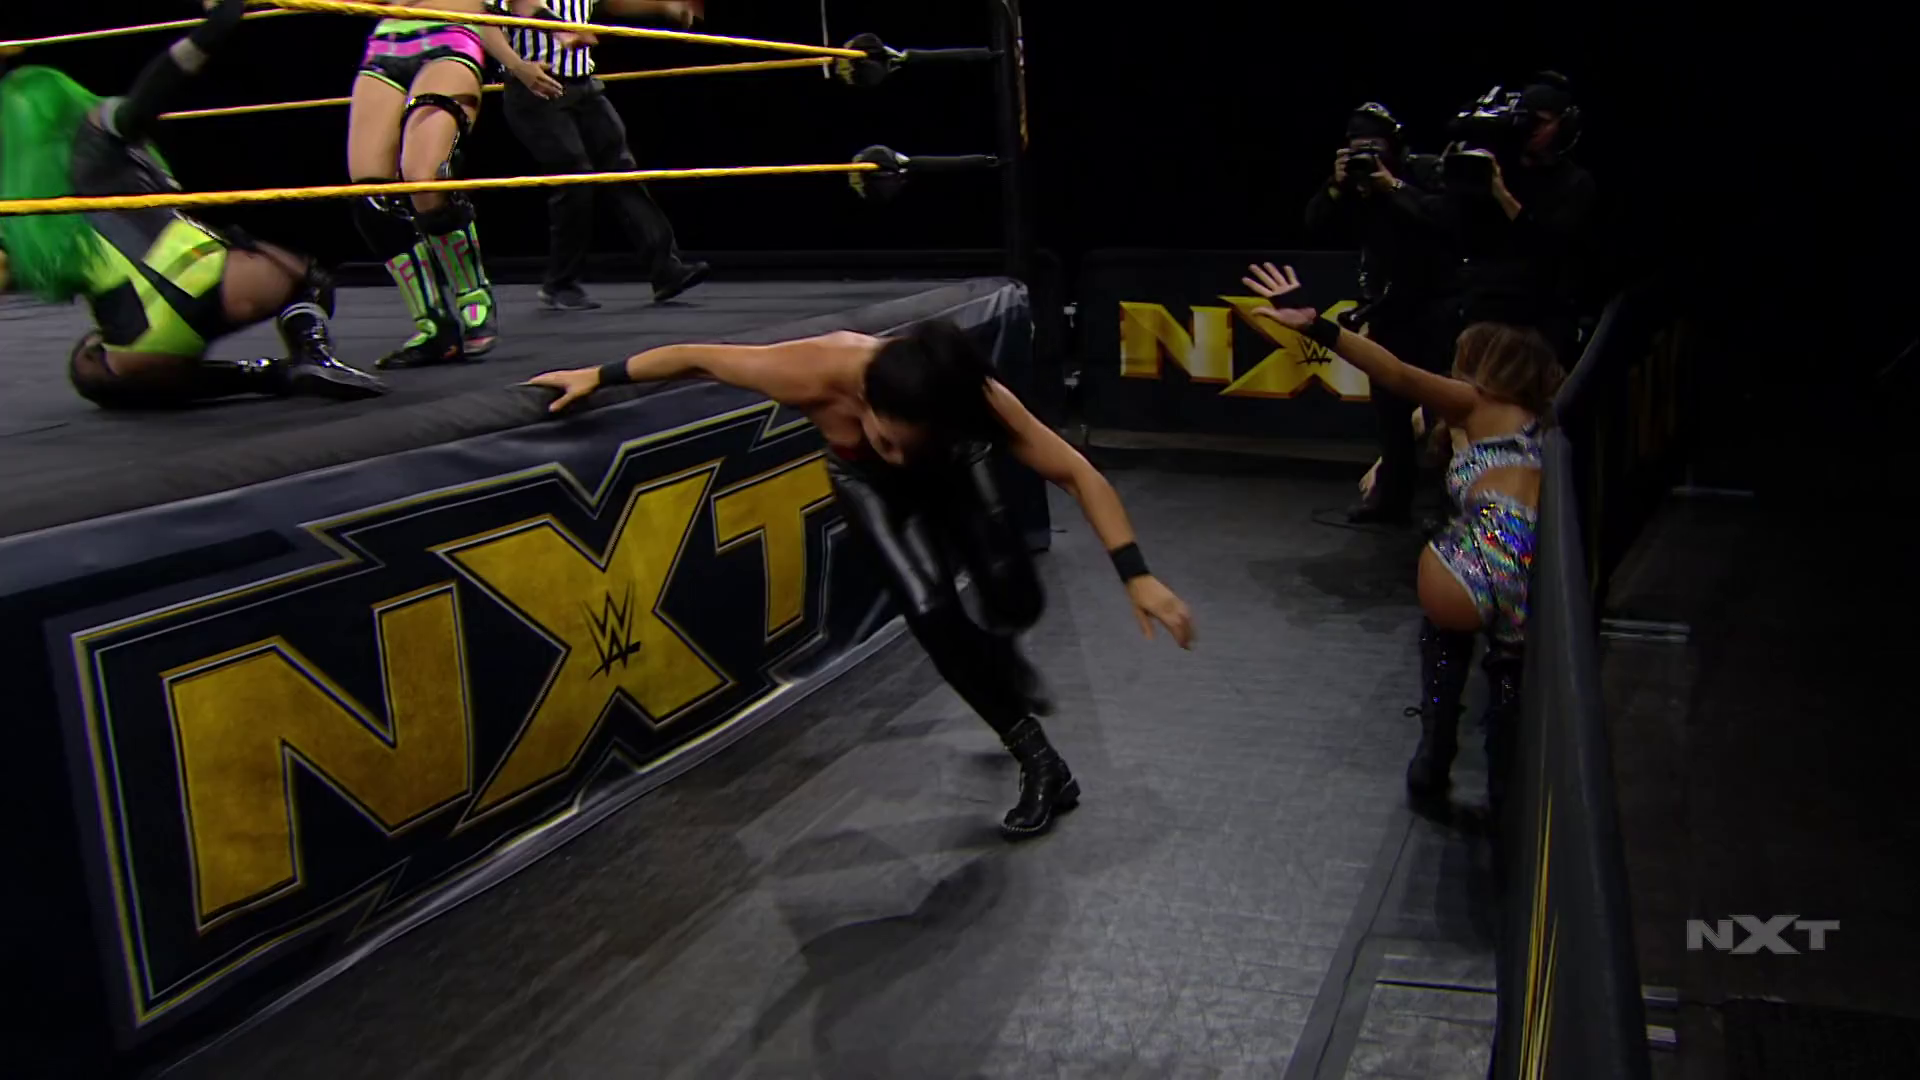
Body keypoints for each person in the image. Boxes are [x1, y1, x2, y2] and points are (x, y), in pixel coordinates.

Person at [527, 321, 1197, 838]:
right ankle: (1040, 758)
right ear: (866, 403)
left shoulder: (974, 401)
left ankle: (1001, 644)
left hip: (953, 467)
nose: (897, 452)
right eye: (887, 438)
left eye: (909, 442)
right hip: (865, 482)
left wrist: (1136, 576)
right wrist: (598, 374)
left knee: (1011, 594)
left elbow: (1078, 473)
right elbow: (695, 357)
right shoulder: (813, 370)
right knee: (931, 615)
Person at [1241, 262, 1560, 825]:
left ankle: (1435, 752)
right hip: (1530, 561)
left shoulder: (1471, 403)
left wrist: (1319, 327)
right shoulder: (1547, 420)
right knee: (1509, 674)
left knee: (1443, 632)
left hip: (1474, 559)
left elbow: (1394, 372)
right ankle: (1506, 792)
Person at [0, 2, 385, 408]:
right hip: (218, 283)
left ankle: (267, 376)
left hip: (146, 338)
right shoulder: (92, 136)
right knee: (308, 274)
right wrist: (213, 30)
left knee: (91, 369)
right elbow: (146, 99)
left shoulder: (16, 210)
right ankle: (311, 352)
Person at [346, 0, 570, 368]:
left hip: (450, 39)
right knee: (370, 198)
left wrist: (531, 49)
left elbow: (516, 4)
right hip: (385, 44)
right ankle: (432, 324)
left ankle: (473, 296)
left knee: (425, 180)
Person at [501, 0, 710, 311]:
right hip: (536, 88)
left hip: (584, 85)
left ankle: (666, 269)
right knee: (576, 177)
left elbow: (614, 2)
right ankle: (560, 282)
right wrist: (522, 62)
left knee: (623, 170)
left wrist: (662, 7)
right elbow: (504, 13)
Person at [1303, 103, 1452, 524]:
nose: (1366, 155)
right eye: (1357, 147)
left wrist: (1392, 187)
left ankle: (1446, 503)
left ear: (1392, 145)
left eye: (1373, 145)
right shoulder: (1353, 185)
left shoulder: (1423, 172)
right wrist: (1335, 186)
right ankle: (1392, 499)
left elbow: (1443, 222)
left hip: (1436, 305)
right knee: (1390, 412)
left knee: (1442, 410)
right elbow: (1314, 223)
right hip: (1388, 307)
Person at [1439, 72, 1598, 359]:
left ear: (1564, 125)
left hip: (1541, 319)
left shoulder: (1575, 183)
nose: (1531, 130)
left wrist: (1502, 194)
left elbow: (1550, 248)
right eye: (1527, 121)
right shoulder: (1496, 168)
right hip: (1484, 310)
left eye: (1542, 122)